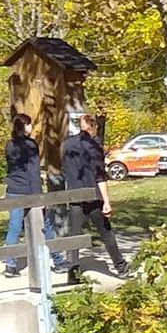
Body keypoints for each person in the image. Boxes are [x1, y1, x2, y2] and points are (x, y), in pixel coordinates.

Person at [60, 112, 127, 278]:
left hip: (74, 195)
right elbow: (99, 175)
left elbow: (64, 170)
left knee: (74, 235)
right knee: (105, 232)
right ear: (93, 127)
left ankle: (73, 274)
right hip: (92, 195)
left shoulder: (67, 144)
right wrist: (106, 201)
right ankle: (120, 266)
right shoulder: (93, 146)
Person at [2, 112, 62, 277]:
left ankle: (10, 264)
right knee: (46, 225)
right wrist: (38, 196)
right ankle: (58, 260)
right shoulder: (30, 145)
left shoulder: (10, 145)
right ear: (24, 126)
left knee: (14, 227)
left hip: (13, 189)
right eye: (29, 124)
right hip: (29, 190)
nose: (31, 127)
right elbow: (33, 171)